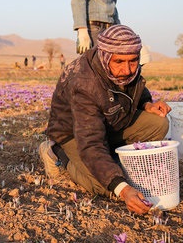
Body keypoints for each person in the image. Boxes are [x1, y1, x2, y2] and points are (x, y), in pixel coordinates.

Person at [39, 25, 170, 215]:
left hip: (109, 122)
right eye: (119, 62)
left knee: (159, 123)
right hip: (73, 134)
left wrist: (146, 104)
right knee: (106, 187)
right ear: (106, 57)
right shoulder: (84, 84)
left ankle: (109, 161)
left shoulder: (123, 61)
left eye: (133, 61)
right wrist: (123, 189)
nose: (127, 69)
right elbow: (91, 142)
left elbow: (134, 86)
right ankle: (56, 152)